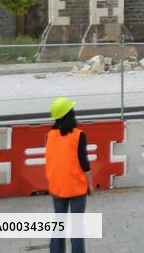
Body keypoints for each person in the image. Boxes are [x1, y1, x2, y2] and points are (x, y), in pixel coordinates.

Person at [45, 97, 93, 253]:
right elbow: (84, 163)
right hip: (76, 188)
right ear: (70, 114)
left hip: (57, 187)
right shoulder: (79, 135)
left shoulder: (50, 135)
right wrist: (90, 185)